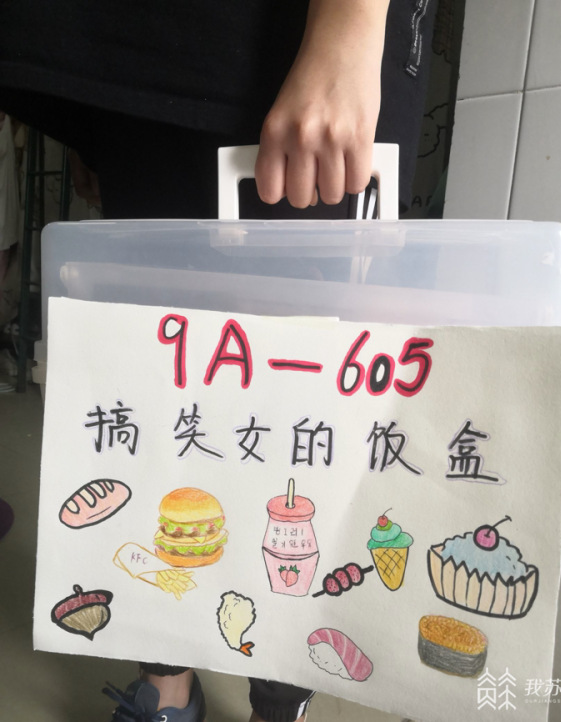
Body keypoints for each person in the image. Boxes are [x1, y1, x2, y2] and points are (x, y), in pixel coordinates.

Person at [0, 1, 436, 720]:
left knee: (304, 421)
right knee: (159, 399)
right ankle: (165, 681)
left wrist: (349, 29)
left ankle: (279, 697)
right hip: (143, 53)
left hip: (289, 32)